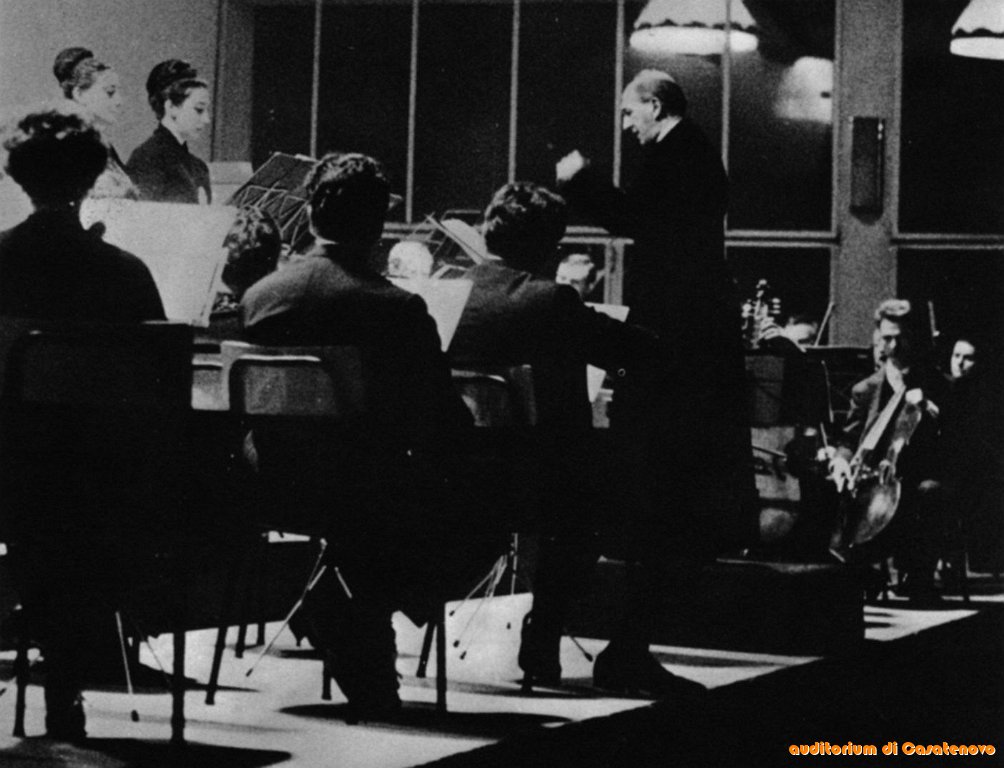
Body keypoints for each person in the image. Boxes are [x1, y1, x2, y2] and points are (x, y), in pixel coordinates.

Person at [240, 152, 490, 721]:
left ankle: (337, 600)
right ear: (377, 227)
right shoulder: (396, 308)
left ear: (309, 215)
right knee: (468, 495)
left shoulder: (261, 296)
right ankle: (347, 604)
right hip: (364, 491)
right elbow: (440, 417)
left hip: (272, 482)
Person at [450, 182, 703, 697]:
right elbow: (637, 353)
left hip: (452, 477)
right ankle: (578, 643)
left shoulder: (449, 293)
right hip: (533, 488)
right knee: (657, 501)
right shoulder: (550, 300)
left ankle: (544, 638)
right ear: (547, 246)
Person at [555, 70, 755, 674]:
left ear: (657, 105)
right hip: (686, 340)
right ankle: (629, 649)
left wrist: (580, 180)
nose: (625, 125)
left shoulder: (680, 153)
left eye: (629, 112)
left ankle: (626, 648)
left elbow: (633, 218)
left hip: (678, 347)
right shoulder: (686, 152)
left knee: (656, 488)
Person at [0, 105, 165, 741]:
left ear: (19, 176)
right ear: (93, 176)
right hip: (99, 480)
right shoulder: (124, 272)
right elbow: (156, 387)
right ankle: (71, 670)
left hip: (11, 470)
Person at [829, 300, 948, 600]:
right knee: (835, 490)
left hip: (919, 474)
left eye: (900, 338)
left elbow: (953, 440)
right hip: (875, 477)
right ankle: (854, 569)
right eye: (887, 338)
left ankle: (918, 576)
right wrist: (841, 461)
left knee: (929, 491)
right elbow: (849, 440)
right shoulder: (865, 389)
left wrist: (930, 410)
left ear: (913, 338)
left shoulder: (935, 384)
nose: (893, 346)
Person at [53, 47, 138, 200]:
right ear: (79, 94)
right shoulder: (69, 148)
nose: (119, 101)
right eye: (110, 92)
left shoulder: (103, 146)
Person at [127, 59, 212, 204]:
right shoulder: (147, 158)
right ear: (171, 107)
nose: (206, 119)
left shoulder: (199, 167)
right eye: (199, 109)